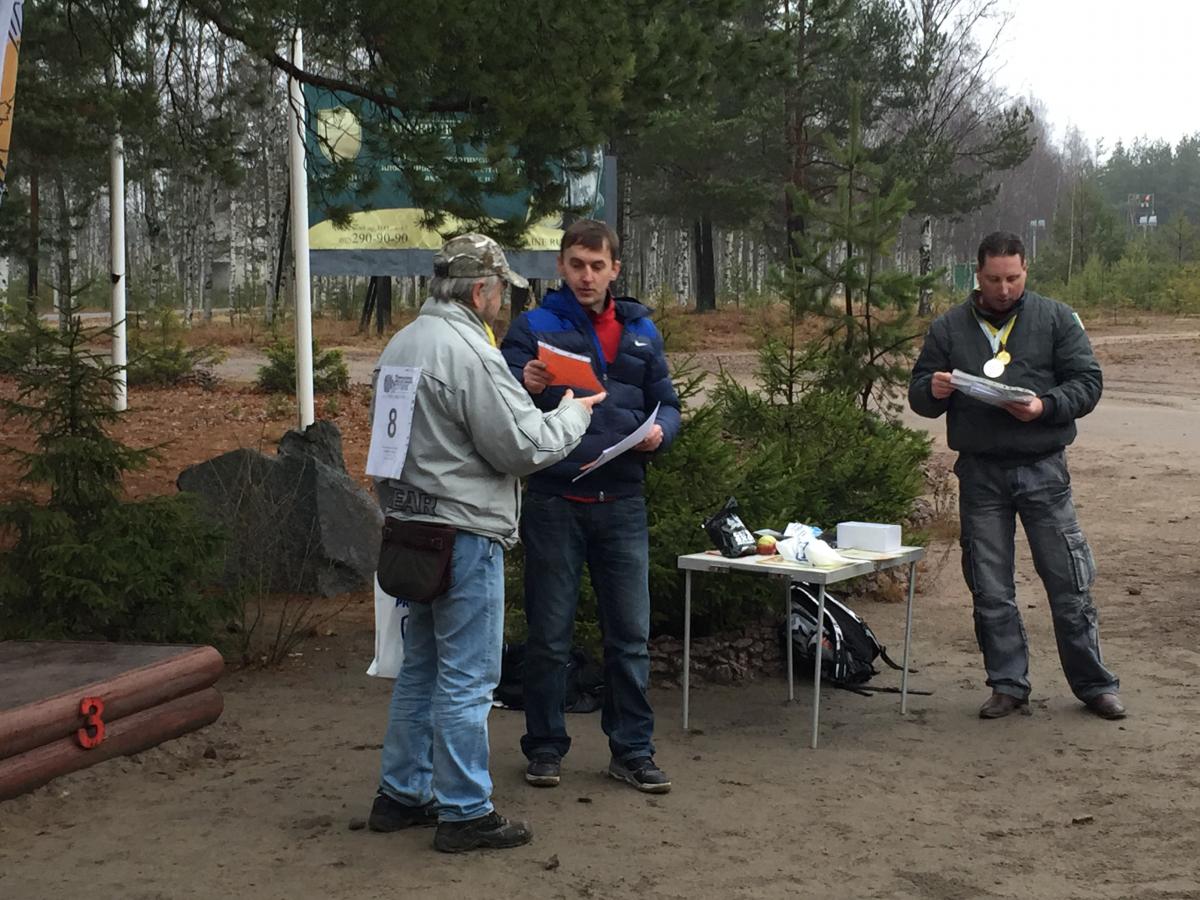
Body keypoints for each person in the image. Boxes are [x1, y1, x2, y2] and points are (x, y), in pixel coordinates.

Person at [367, 234, 606, 853]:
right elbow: (522, 447)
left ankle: (401, 793)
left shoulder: (402, 343)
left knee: (421, 668)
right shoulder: (470, 351)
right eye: (501, 291)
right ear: (481, 291)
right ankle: (465, 810)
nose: (502, 302)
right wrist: (575, 413)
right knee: (469, 678)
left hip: (410, 530)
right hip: (464, 534)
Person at [909, 231, 1125, 721]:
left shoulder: (1055, 319)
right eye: (993, 279)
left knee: (1069, 583)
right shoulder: (948, 327)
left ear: (1026, 270)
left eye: (1013, 278)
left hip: (1043, 468)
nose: (1004, 289)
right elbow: (919, 394)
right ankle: (1007, 684)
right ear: (977, 274)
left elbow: (1088, 383)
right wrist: (933, 390)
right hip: (981, 474)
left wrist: (1046, 406)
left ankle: (1095, 685)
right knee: (990, 588)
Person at [500, 219, 681, 793]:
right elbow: (499, 402)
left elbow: (668, 404)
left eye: (597, 266)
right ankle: (545, 747)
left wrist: (662, 434)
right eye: (576, 264)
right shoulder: (534, 327)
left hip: (622, 501)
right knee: (549, 635)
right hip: (555, 500)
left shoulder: (641, 330)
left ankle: (633, 751)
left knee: (629, 637)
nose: (586, 276)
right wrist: (527, 384)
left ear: (614, 270)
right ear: (561, 266)